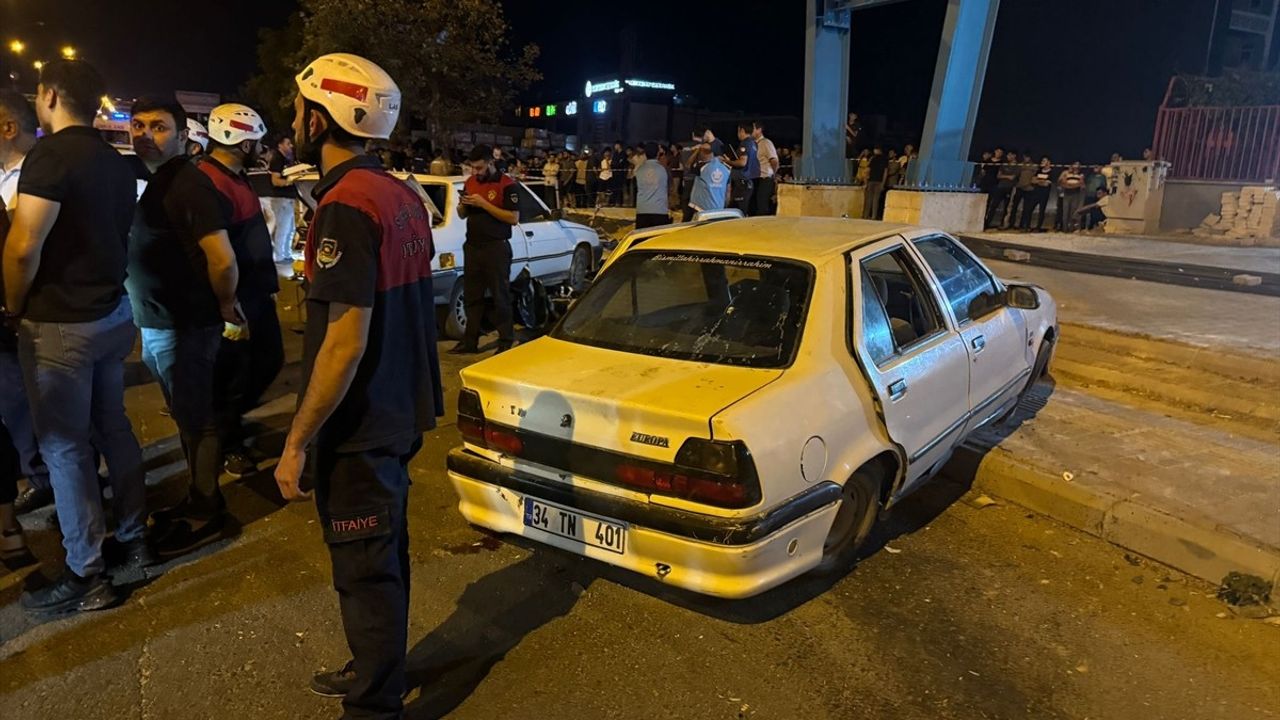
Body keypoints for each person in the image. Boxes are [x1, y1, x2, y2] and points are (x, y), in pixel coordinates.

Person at [277, 53, 443, 718]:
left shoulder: (347, 206)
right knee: (383, 552)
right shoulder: (401, 194)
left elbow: (344, 343)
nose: (293, 120)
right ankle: (376, 665)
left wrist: (295, 442)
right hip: (401, 412)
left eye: (298, 108)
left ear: (320, 118)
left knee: (364, 568)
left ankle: (375, 704)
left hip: (363, 422)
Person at [2, 59, 147, 614]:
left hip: (61, 324)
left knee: (64, 449)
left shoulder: (51, 157)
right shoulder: (115, 161)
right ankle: (134, 534)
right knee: (113, 427)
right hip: (111, 315)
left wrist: (15, 306)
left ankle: (86, 572)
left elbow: (21, 247)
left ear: (51, 95)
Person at [126, 96, 245, 557]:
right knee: (186, 417)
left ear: (182, 136)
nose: (144, 135)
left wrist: (226, 305)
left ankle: (207, 510)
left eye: (158, 127)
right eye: (137, 125)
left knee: (199, 420)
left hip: (185, 325)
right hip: (159, 322)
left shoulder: (187, 185)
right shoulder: (160, 181)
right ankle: (197, 496)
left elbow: (223, 259)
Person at [199, 104, 284, 479]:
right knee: (232, 375)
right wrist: (227, 303)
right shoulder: (209, 182)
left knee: (268, 360)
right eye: (256, 141)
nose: (261, 147)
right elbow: (219, 258)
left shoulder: (235, 176)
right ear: (241, 140)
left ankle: (223, 425)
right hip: (235, 300)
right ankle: (226, 442)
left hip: (253, 294)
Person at [0, 90, 53, 518]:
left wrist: (14, 309)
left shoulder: (32, 180)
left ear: (9, 128)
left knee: (24, 403)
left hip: (25, 314)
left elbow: (22, 254)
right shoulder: (10, 177)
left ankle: (44, 478)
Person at [451, 144, 520, 355]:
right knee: (473, 296)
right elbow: (463, 214)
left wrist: (484, 204)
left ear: (491, 163)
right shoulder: (471, 182)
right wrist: (463, 206)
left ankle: (505, 340)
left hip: (495, 248)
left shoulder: (507, 184)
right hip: (473, 247)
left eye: (479, 168)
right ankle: (470, 341)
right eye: (472, 167)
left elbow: (513, 218)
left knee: (500, 296)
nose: (475, 172)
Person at [265, 133, 299, 279]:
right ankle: (279, 256)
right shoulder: (277, 158)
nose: (291, 146)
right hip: (281, 198)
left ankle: (286, 253)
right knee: (282, 228)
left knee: (290, 228)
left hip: (288, 198)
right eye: (288, 143)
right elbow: (275, 181)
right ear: (280, 145)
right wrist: (290, 181)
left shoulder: (286, 159)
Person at [686, 142, 730, 221]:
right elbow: (728, 192)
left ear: (702, 153)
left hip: (702, 209)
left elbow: (688, 165)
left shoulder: (702, 167)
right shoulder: (726, 169)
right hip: (718, 209)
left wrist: (696, 151)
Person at [634, 141, 670, 229]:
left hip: (642, 210)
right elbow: (667, 186)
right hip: (659, 210)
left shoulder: (640, 169)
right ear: (658, 153)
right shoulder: (662, 169)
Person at [727, 122, 758, 214]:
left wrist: (728, 162)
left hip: (742, 182)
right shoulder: (753, 143)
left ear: (742, 131)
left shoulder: (744, 143)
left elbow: (742, 162)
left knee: (737, 211)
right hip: (749, 181)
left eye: (738, 131)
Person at [752, 120, 779, 216]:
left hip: (765, 178)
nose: (751, 131)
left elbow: (774, 160)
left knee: (762, 205)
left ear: (759, 130)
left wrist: (773, 175)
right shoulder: (752, 144)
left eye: (753, 128)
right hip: (755, 178)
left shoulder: (766, 143)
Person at [985, 150, 1017, 229]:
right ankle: (987, 222)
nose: (1008, 157)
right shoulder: (1004, 164)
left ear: (1014, 156)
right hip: (1000, 186)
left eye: (1009, 155)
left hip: (1009, 188)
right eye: (1007, 155)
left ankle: (1003, 224)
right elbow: (998, 176)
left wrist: (1004, 176)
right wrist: (1007, 176)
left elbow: (1013, 177)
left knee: (1006, 207)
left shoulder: (1017, 166)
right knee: (993, 205)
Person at [1020, 156, 1053, 231]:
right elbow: (1033, 180)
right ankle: (1027, 226)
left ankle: (1038, 227)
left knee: (1041, 211)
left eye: (1044, 160)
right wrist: (1041, 181)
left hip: (1044, 194)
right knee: (1029, 209)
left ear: (1049, 162)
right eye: (1042, 160)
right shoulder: (1039, 171)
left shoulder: (1051, 172)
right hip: (1036, 193)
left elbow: (1047, 184)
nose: (1042, 162)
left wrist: (1039, 181)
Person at [1007, 151, 1036, 229]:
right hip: (1019, 188)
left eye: (1028, 157)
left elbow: (1035, 176)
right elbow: (1016, 175)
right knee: (1014, 207)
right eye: (1025, 157)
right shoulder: (1020, 165)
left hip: (1029, 189)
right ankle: (1011, 223)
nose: (1026, 158)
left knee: (1026, 208)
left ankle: (1022, 225)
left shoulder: (1034, 166)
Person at [1058, 162, 1085, 232]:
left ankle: (1071, 228)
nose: (1076, 166)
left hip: (1075, 194)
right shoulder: (1067, 174)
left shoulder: (1081, 175)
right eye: (1075, 164)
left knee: (1073, 212)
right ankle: (1064, 229)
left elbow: (1081, 185)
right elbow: (1063, 183)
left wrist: (1071, 185)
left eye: (1077, 165)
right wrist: (1073, 185)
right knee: (1065, 212)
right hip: (1067, 194)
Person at [863, 146, 888, 220]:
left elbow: (867, 170)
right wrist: (883, 183)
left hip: (871, 180)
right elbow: (885, 172)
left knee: (868, 200)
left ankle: (865, 215)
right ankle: (874, 216)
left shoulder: (873, 159)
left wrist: (865, 181)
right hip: (879, 181)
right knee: (875, 200)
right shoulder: (885, 160)